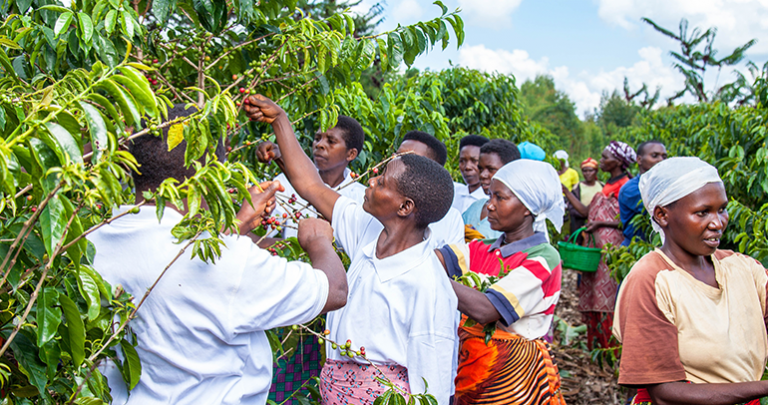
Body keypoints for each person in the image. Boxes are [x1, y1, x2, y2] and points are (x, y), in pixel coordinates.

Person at [91, 104, 349, 405]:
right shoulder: (229, 262)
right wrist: (318, 240)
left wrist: (233, 228)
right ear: (209, 173)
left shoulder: (94, 239)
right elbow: (334, 290)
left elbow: (172, 260)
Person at [244, 95, 459, 405]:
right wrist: (280, 120)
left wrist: (320, 245)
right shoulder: (368, 231)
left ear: (405, 206)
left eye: (383, 181)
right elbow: (311, 186)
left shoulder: (429, 286)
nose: (371, 180)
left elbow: (433, 387)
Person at [614, 157, 768, 405]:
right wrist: (763, 387)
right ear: (662, 215)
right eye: (702, 212)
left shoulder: (743, 268)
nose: (718, 223)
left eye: (722, 209)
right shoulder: (651, 279)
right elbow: (665, 393)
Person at [435, 159, 567, 405]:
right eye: (490, 196)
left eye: (500, 198)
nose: (490, 206)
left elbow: (487, 310)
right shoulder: (480, 248)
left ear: (527, 207)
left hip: (514, 378)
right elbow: (437, 260)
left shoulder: (544, 258)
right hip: (472, 369)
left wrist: (429, 274)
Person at [255, 116, 367, 239]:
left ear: (351, 154)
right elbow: (262, 231)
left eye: (331, 141)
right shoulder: (285, 183)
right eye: (317, 139)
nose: (319, 145)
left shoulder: (361, 198)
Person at [577, 141, 636, 350]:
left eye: (605, 158)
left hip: (612, 247)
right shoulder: (609, 183)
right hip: (599, 245)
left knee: (608, 295)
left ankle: (609, 346)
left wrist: (601, 222)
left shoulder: (625, 185)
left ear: (618, 162)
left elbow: (626, 220)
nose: (601, 161)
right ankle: (596, 343)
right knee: (595, 290)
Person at [396, 130, 465, 245]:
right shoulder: (378, 205)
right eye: (396, 156)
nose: (396, 163)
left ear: (433, 172)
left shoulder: (450, 219)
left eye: (409, 160)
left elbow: (452, 260)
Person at [462, 139, 520, 241]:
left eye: (491, 169)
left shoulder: (516, 216)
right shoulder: (474, 208)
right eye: (481, 169)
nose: (483, 175)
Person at [618, 140, 667, 246]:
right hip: (636, 247)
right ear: (639, 159)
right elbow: (661, 210)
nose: (661, 160)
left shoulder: (664, 185)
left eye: (664, 157)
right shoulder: (631, 189)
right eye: (654, 156)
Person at [563, 158, 604, 243]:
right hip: (579, 225)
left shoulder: (602, 186)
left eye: (590, 171)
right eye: (585, 171)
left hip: (598, 224)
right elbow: (572, 208)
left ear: (596, 171)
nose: (588, 173)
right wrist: (585, 214)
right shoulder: (577, 187)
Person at [452, 134, 490, 213]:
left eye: (474, 161)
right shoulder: (453, 192)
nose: (467, 167)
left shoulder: (489, 199)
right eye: (462, 161)